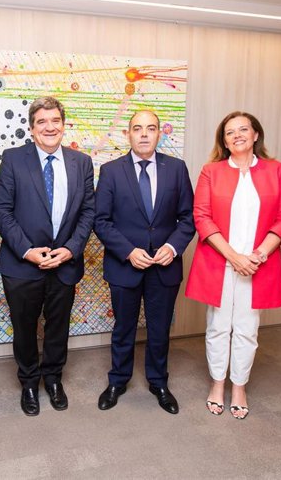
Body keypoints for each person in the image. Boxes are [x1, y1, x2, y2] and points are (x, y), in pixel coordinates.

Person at [186, 111, 281, 419]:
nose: (237, 135)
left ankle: (239, 387)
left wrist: (259, 254)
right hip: (220, 262)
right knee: (218, 326)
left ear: (255, 134)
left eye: (243, 129)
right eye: (229, 132)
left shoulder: (276, 170)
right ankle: (217, 384)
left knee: (247, 329)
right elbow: (202, 217)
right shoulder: (211, 171)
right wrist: (234, 256)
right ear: (224, 141)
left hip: (258, 265)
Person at [0, 96, 95, 416]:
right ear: (32, 128)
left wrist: (70, 249)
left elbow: (88, 212)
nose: (49, 127)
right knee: (24, 327)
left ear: (63, 126)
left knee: (57, 327)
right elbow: (3, 211)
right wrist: (27, 251)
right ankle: (28, 382)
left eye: (55, 121)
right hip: (22, 265)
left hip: (64, 263)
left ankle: (53, 378)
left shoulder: (81, 162)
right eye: (42, 122)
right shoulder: (12, 159)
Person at [93, 110, 195, 414]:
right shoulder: (111, 171)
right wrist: (128, 251)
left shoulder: (176, 169)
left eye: (151, 128)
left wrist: (173, 247)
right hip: (125, 265)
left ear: (159, 133)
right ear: (128, 134)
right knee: (123, 327)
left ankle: (158, 382)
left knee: (159, 328)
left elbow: (187, 218)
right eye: (137, 128)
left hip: (164, 267)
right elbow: (102, 220)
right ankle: (118, 380)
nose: (144, 134)